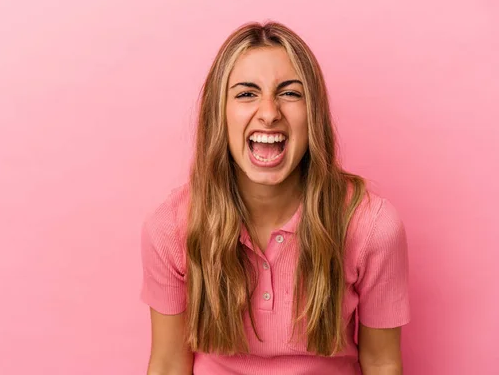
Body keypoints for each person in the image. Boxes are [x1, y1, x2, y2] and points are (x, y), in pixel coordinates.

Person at [140, 21, 410, 375]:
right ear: (218, 114)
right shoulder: (170, 228)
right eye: (246, 93)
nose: (269, 113)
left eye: (290, 93)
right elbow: (169, 363)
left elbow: (382, 362)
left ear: (313, 115)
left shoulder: (373, 225)